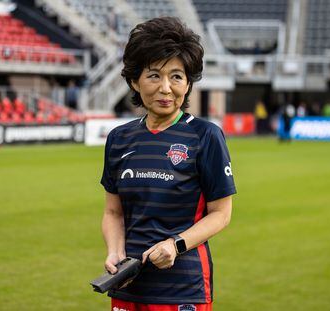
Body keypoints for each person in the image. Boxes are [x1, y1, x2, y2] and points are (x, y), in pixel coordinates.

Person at [100, 17, 237, 311]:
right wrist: (114, 251)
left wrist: (175, 245)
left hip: (182, 288)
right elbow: (113, 212)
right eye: (154, 76)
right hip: (127, 284)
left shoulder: (205, 136)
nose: (166, 88)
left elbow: (221, 214)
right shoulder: (119, 139)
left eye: (176, 76)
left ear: (188, 83)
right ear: (135, 81)